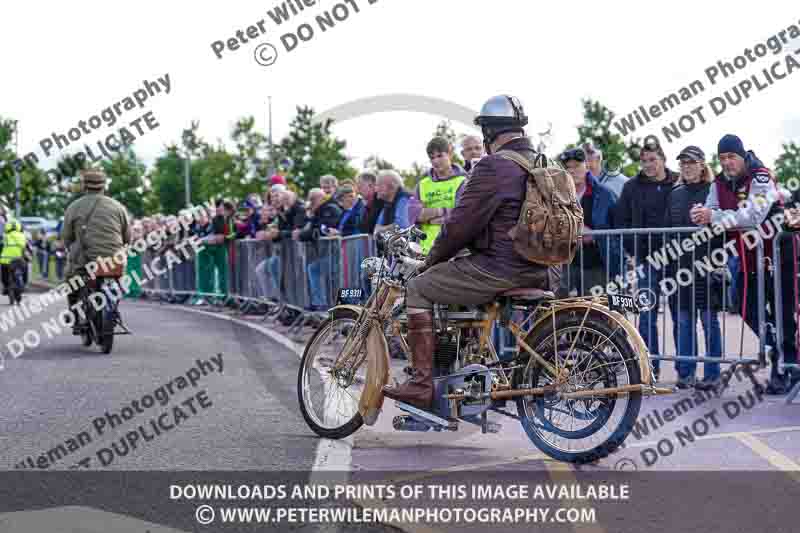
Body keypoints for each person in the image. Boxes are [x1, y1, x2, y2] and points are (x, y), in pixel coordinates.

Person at [383, 95, 561, 409]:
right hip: (543, 267)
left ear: (490, 131)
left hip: (501, 268)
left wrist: (430, 261)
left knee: (419, 289)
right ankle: (465, 369)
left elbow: (459, 226)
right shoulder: (542, 163)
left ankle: (421, 383)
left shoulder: (495, 166)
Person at [690, 134, 799, 395]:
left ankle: (786, 369)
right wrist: (699, 214)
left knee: (782, 312)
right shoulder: (718, 182)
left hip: (777, 253)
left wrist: (713, 216)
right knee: (743, 304)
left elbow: (753, 215)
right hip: (746, 256)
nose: (727, 163)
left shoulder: (760, 175)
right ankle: (778, 353)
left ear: (742, 156)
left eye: (731, 157)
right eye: (722, 158)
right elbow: (709, 209)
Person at [614, 137, 680, 380]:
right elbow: (621, 221)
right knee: (647, 314)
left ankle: (686, 371)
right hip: (646, 261)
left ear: (663, 158)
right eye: (643, 161)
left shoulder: (678, 182)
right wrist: (634, 251)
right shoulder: (631, 186)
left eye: (652, 159)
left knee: (680, 314)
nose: (648, 165)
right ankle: (649, 369)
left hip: (676, 259)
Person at [664, 146, 723, 390]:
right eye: (683, 163)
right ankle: (685, 374)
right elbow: (667, 232)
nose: (687, 166)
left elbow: (723, 228)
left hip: (707, 266)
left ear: (702, 164)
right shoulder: (674, 193)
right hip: (679, 269)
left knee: (710, 322)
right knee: (684, 322)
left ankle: (712, 375)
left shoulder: (714, 190)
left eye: (691, 162)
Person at [61, 169, 131, 331]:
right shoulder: (118, 207)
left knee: (72, 282)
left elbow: (66, 236)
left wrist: (70, 248)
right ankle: (113, 308)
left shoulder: (74, 207)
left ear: (84, 186)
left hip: (85, 261)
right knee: (118, 283)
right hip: (114, 260)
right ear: (104, 187)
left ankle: (76, 317)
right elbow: (127, 236)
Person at [557, 147, 620, 297]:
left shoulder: (605, 194)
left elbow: (619, 228)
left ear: (587, 166)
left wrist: (595, 235)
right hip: (565, 262)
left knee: (594, 310)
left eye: (577, 166)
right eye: (568, 167)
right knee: (560, 309)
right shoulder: (557, 194)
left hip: (596, 263)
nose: (572, 171)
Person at [412, 137, 468, 254]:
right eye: (432, 158)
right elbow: (413, 215)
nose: (436, 161)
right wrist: (444, 211)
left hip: (454, 250)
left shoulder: (463, 181)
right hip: (425, 250)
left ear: (450, 154)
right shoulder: (422, 184)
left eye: (440, 156)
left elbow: (461, 215)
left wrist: (429, 216)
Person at [294, 188, 343, 311]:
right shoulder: (319, 211)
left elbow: (320, 230)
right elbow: (307, 226)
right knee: (316, 270)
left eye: (312, 199)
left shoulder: (330, 209)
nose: (310, 203)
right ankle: (321, 304)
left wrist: (301, 235)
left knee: (319, 272)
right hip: (326, 252)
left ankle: (323, 305)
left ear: (320, 198)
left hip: (335, 252)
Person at [373, 170, 412, 236]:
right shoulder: (388, 204)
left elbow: (402, 226)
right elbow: (376, 229)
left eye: (378, 185)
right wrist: (386, 228)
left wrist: (382, 229)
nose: (375, 189)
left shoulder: (404, 199)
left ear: (392, 185)